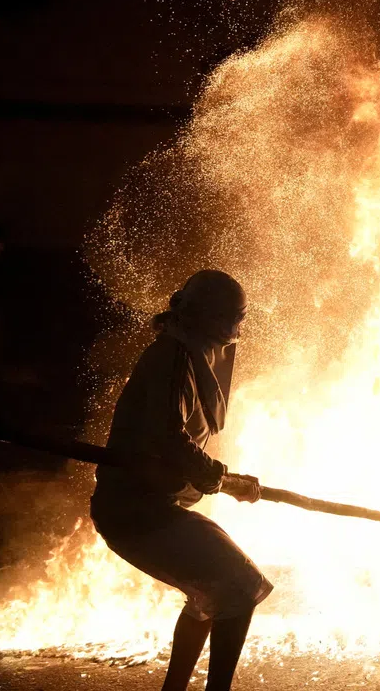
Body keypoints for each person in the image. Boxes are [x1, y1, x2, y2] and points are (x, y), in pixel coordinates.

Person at [90, 269, 271, 691]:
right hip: (135, 512)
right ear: (212, 319)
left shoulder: (188, 355)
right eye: (234, 318)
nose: (238, 329)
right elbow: (170, 439)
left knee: (213, 592)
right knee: (240, 586)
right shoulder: (171, 358)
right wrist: (224, 481)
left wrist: (224, 480)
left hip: (154, 508)